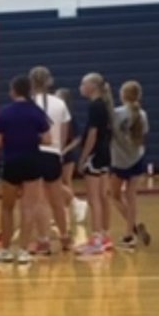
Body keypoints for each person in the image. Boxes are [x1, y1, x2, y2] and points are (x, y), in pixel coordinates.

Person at [0, 76, 51, 264]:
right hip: (33, 161)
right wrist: (31, 139)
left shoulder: (4, 113)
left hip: (11, 162)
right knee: (29, 207)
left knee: (7, 208)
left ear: (13, 91)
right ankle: (24, 251)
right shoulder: (37, 112)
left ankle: (5, 249)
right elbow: (48, 139)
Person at [29, 66, 71, 253]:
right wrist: (59, 152)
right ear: (49, 81)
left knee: (39, 200)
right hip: (53, 153)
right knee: (57, 201)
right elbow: (63, 133)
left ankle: (44, 240)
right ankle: (65, 238)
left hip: (35, 153)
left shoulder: (29, 103)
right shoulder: (60, 103)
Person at [76, 73, 114, 255]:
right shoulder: (103, 105)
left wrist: (83, 157)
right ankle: (105, 235)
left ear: (92, 86)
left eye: (83, 83)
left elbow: (92, 134)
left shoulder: (95, 106)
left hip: (95, 155)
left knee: (94, 199)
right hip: (105, 154)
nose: (80, 87)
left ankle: (97, 238)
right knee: (103, 196)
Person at [111, 80, 150, 249]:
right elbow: (144, 134)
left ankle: (132, 228)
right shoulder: (142, 114)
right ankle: (130, 233)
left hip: (119, 160)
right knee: (131, 196)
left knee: (114, 195)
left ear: (123, 95)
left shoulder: (116, 113)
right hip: (137, 158)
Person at [57, 88, 87, 224]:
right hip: (55, 151)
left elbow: (77, 138)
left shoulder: (70, 117)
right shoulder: (54, 115)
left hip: (67, 153)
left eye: (59, 97)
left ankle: (70, 209)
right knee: (57, 182)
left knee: (65, 181)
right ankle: (66, 211)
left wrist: (65, 149)